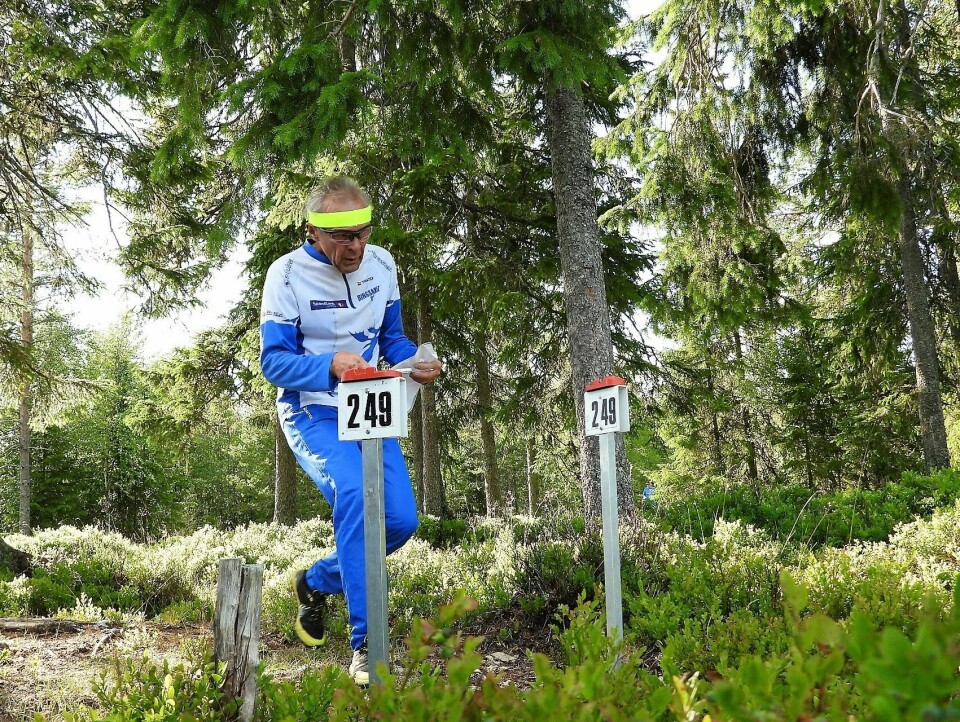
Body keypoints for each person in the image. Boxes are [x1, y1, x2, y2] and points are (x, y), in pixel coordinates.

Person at [259, 177, 442, 685]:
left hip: (370, 409)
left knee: (402, 521)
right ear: (315, 232)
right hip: (312, 410)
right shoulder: (287, 274)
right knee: (360, 499)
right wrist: (329, 366)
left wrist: (416, 362)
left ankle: (317, 580)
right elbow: (273, 362)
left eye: (361, 234)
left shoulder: (382, 264)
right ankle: (368, 647)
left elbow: (393, 340)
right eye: (342, 238)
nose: (354, 247)